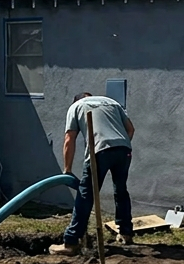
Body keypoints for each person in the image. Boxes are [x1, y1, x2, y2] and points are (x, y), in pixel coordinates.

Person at [49, 92, 135, 255]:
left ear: (76, 100)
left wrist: (67, 170)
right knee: (121, 190)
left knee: (85, 194)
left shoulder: (76, 107)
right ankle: (126, 233)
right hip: (124, 149)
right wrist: (118, 147)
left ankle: (71, 242)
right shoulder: (112, 102)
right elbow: (130, 129)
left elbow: (69, 139)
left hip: (100, 151)